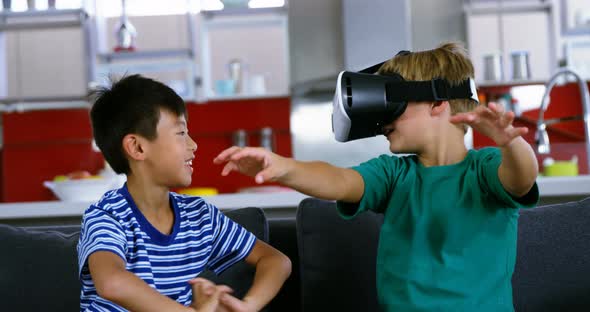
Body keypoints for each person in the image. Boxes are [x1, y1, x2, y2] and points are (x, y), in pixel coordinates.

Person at [214, 42, 539, 311]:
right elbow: (338, 180)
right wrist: (284, 167)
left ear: (438, 102)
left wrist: (511, 143)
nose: (382, 119)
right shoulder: (394, 174)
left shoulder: (484, 168)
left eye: (393, 102)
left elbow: (520, 178)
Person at [77, 74, 291, 312]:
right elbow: (111, 283)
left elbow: (276, 261)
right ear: (137, 147)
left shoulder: (199, 216)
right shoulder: (107, 217)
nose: (193, 145)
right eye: (180, 133)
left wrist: (246, 306)